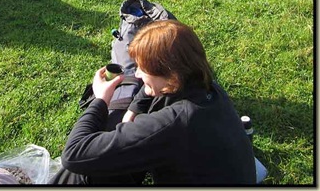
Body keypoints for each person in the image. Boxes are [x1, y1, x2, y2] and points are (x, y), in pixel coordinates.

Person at [50, 19, 256, 185]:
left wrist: (100, 100)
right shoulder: (208, 88)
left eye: (143, 69)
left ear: (171, 75)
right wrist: (133, 109)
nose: (137, 75)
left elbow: (74, 154)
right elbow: (151, 92)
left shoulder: (175, 122)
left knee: (81, 173)